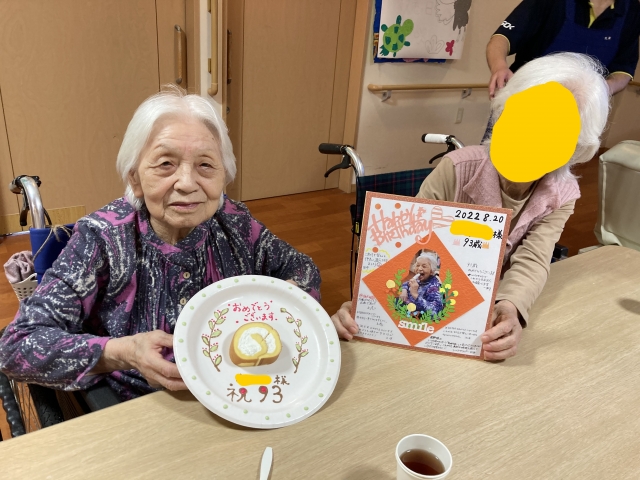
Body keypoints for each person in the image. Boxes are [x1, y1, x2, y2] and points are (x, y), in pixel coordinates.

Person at [0, 87, 320, 401]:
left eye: (206, 165)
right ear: (135, 178)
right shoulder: (102, 238)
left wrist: (282, 308)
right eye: (166, 163)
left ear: (224, 176)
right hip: (140, 403)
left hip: (237, 389)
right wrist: (124, 353)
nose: (187, 183)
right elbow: (16, 347)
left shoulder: (236, 223)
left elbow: (301, 269)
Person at [332, 53, 610, 361]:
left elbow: (533, 258)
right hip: (433, 311)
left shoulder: (563, 193)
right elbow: (408, 249)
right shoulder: (456, 169)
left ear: (576, 147)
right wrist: (368, 305)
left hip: (480, 316)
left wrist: (511, 307)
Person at [487, 0, 640, 98]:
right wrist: (499, 67)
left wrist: (599, 92)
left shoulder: (632, 11)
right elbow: (502, 38)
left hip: (578, 114)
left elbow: (623, 70)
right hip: (523, 99)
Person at [399, 251, 444, 317]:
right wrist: (404, 290)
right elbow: (407, 283)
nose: (419, 269)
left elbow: (435, 311)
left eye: (424, 266)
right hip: (407, 311)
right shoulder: (418, 279)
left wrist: (415, 294)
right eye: (417, 265)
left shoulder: (434, 286)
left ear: (431, 271)